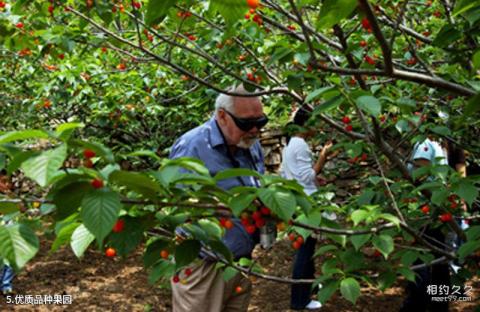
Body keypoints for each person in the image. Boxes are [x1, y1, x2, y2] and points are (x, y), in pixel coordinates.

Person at [168, 84, 268, 312]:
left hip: (240, 264)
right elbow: (176, 205)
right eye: (246, 123)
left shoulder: (251, 145)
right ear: (222, 116)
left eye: (260, 122)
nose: (254, 130)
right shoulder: (192, 146)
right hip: (203, 267)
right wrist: (209, 207)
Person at [280, 105, 335, 310]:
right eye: (318, 122)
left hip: (297, 200)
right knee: (305, 251)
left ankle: (309, 287)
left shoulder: (291, 144)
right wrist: (323, 156)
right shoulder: (300, 144)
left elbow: (292, 176)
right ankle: (299, 300)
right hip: (306, 204)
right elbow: (307, 176)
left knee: (308, 247)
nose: (320, 126)